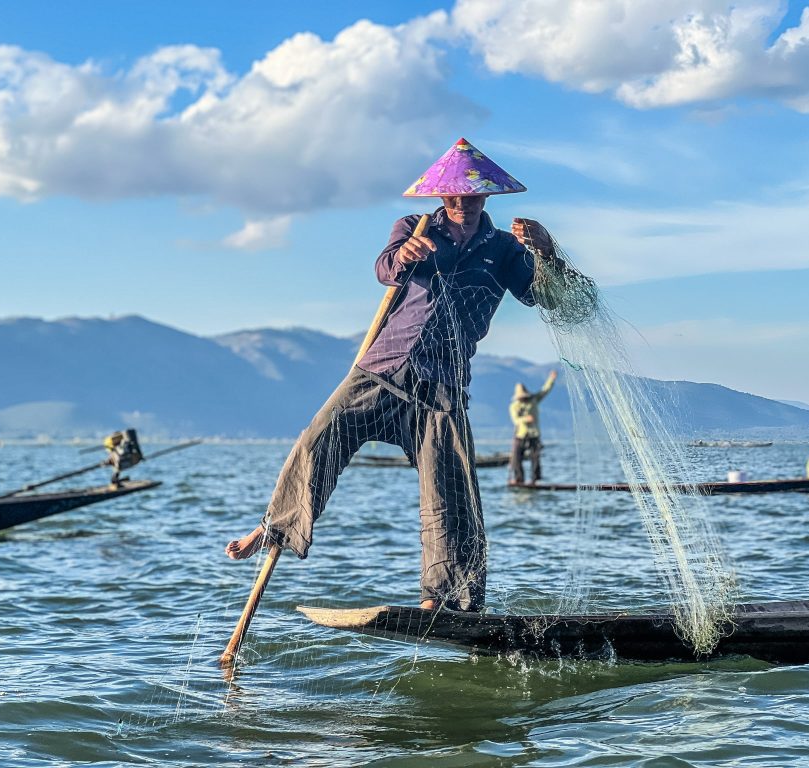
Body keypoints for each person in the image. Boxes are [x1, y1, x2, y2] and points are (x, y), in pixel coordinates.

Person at [225, 138, 570, 613]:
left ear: (486, 196)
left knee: (450, 490)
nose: (461, 205)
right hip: (382, 368)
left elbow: (552, 299)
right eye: (452, 197)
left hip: (444, 384)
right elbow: (384, 268)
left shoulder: (505, 249)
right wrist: (406, 254)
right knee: (319, 438)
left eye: (470, 197)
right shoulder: (415, 226)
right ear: (440, 198)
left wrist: (548, 253)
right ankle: (276, 528)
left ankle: (448, 597)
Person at [508, 370, 558, 485]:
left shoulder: (533, 400)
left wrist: (551, 379)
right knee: (516, 458)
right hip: (520, 434)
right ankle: (519, 479)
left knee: (535, 458)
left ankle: (535, 480)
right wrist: (526, 419)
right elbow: (516, 420)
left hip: (534, 434)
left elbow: (544, 391)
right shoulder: (514, 406)